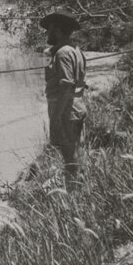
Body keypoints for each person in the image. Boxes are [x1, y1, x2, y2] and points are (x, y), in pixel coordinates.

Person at [41, 9, 88, 185]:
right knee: (77, 150)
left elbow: (67, 85)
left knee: (69, 157)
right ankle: (81, 188)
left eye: (50, 29)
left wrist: (57, 117)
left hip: (66, 110)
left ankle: (73, 194)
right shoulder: (76, 50)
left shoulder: (62, 53)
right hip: (76, 106)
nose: (47, 33)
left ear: (58, 31)